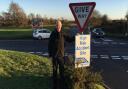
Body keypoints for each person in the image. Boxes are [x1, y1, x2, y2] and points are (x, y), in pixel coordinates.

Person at [48, 20, 74, 89]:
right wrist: (50, 55)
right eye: (57, 25)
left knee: (62, 72)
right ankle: (55, 85)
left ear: (61, 26)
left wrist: (75, 37)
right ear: (55, 26)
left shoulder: (63, 33)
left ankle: (62, 85)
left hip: (61, 56)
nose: (58, 27)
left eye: (59, 25)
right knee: (55, 71)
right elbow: (49, 45)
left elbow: (69, 39)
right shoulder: (53, 34)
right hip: (54, 56)